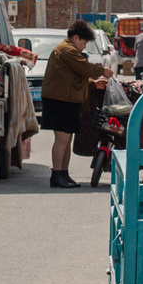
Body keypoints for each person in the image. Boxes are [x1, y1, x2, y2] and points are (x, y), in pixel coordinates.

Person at [39, 20, 103, 189]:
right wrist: (102, 72)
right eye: (83, 42)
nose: (83, 47)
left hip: (68, 99)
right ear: (76, 38)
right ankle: (56, 175)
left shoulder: (68, 49)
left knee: (67, 139)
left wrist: (93, 83)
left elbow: (76, 76)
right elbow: (83, 67)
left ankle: (64, 173)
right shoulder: (67, 49)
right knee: (61, 139)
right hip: (59, 100)